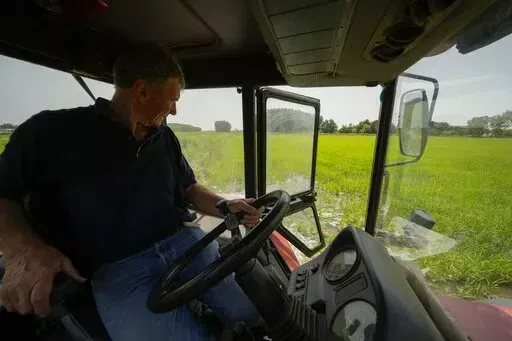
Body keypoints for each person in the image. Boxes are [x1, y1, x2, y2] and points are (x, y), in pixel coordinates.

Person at [0, 43, 262, 341]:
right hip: (118, 271)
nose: (175, 110)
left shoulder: (164, 136)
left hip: (185, 244)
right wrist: (22, 250)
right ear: (141, 91)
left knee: (255, 315)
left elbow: (189, 187)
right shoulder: (49, 132)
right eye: (172, 99)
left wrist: (227, 206)